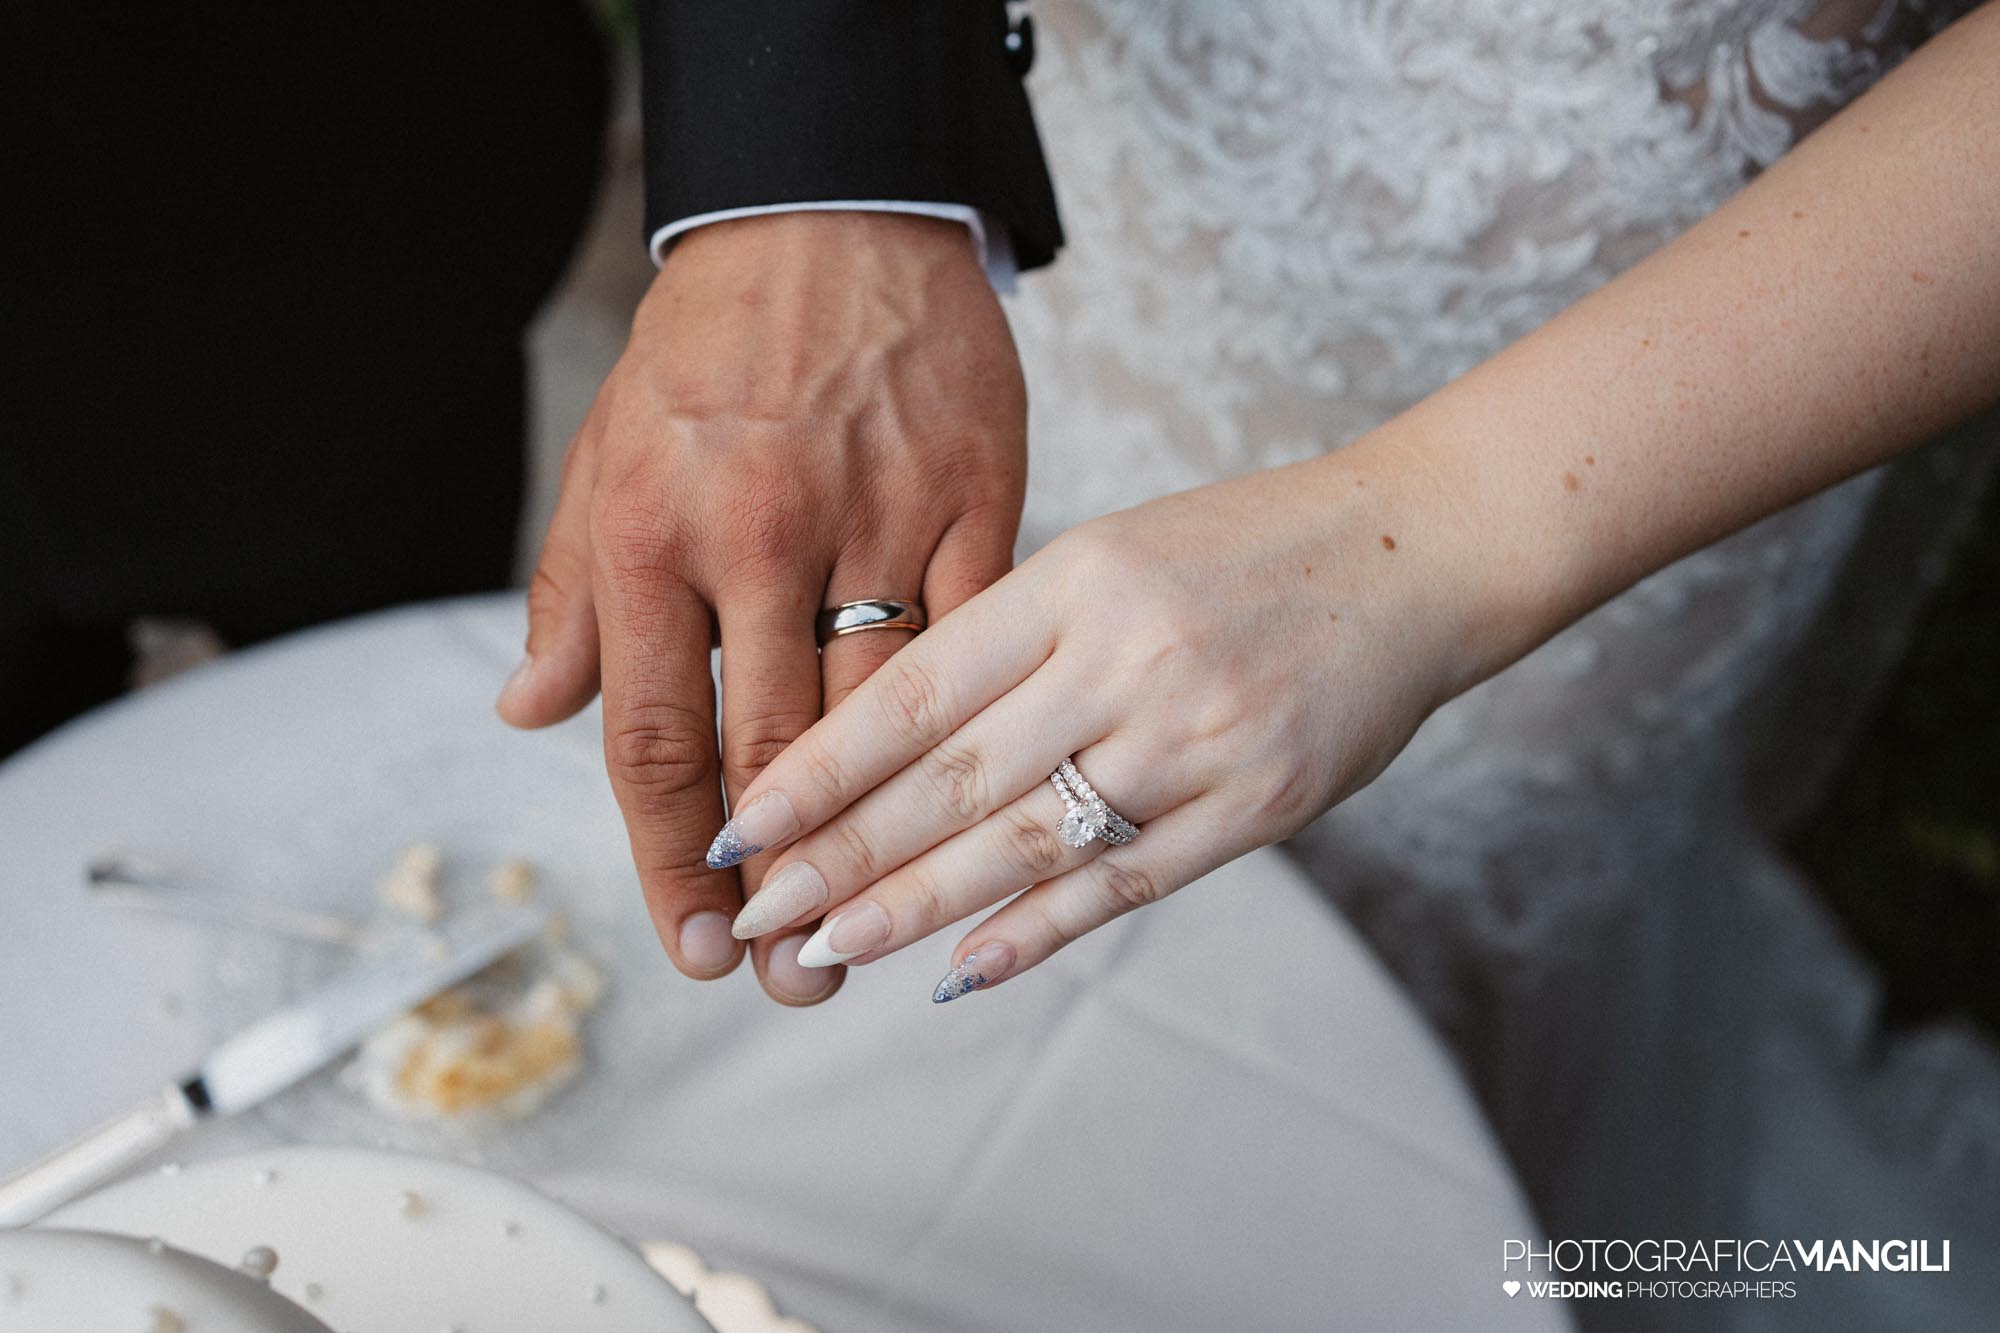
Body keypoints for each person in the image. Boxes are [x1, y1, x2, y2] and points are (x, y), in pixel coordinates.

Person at [502, 3, 2000, 1325]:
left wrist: (1439, 540)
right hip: (1065, 200)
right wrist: (821, 173)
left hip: (1654, 378)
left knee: (1467, 920)